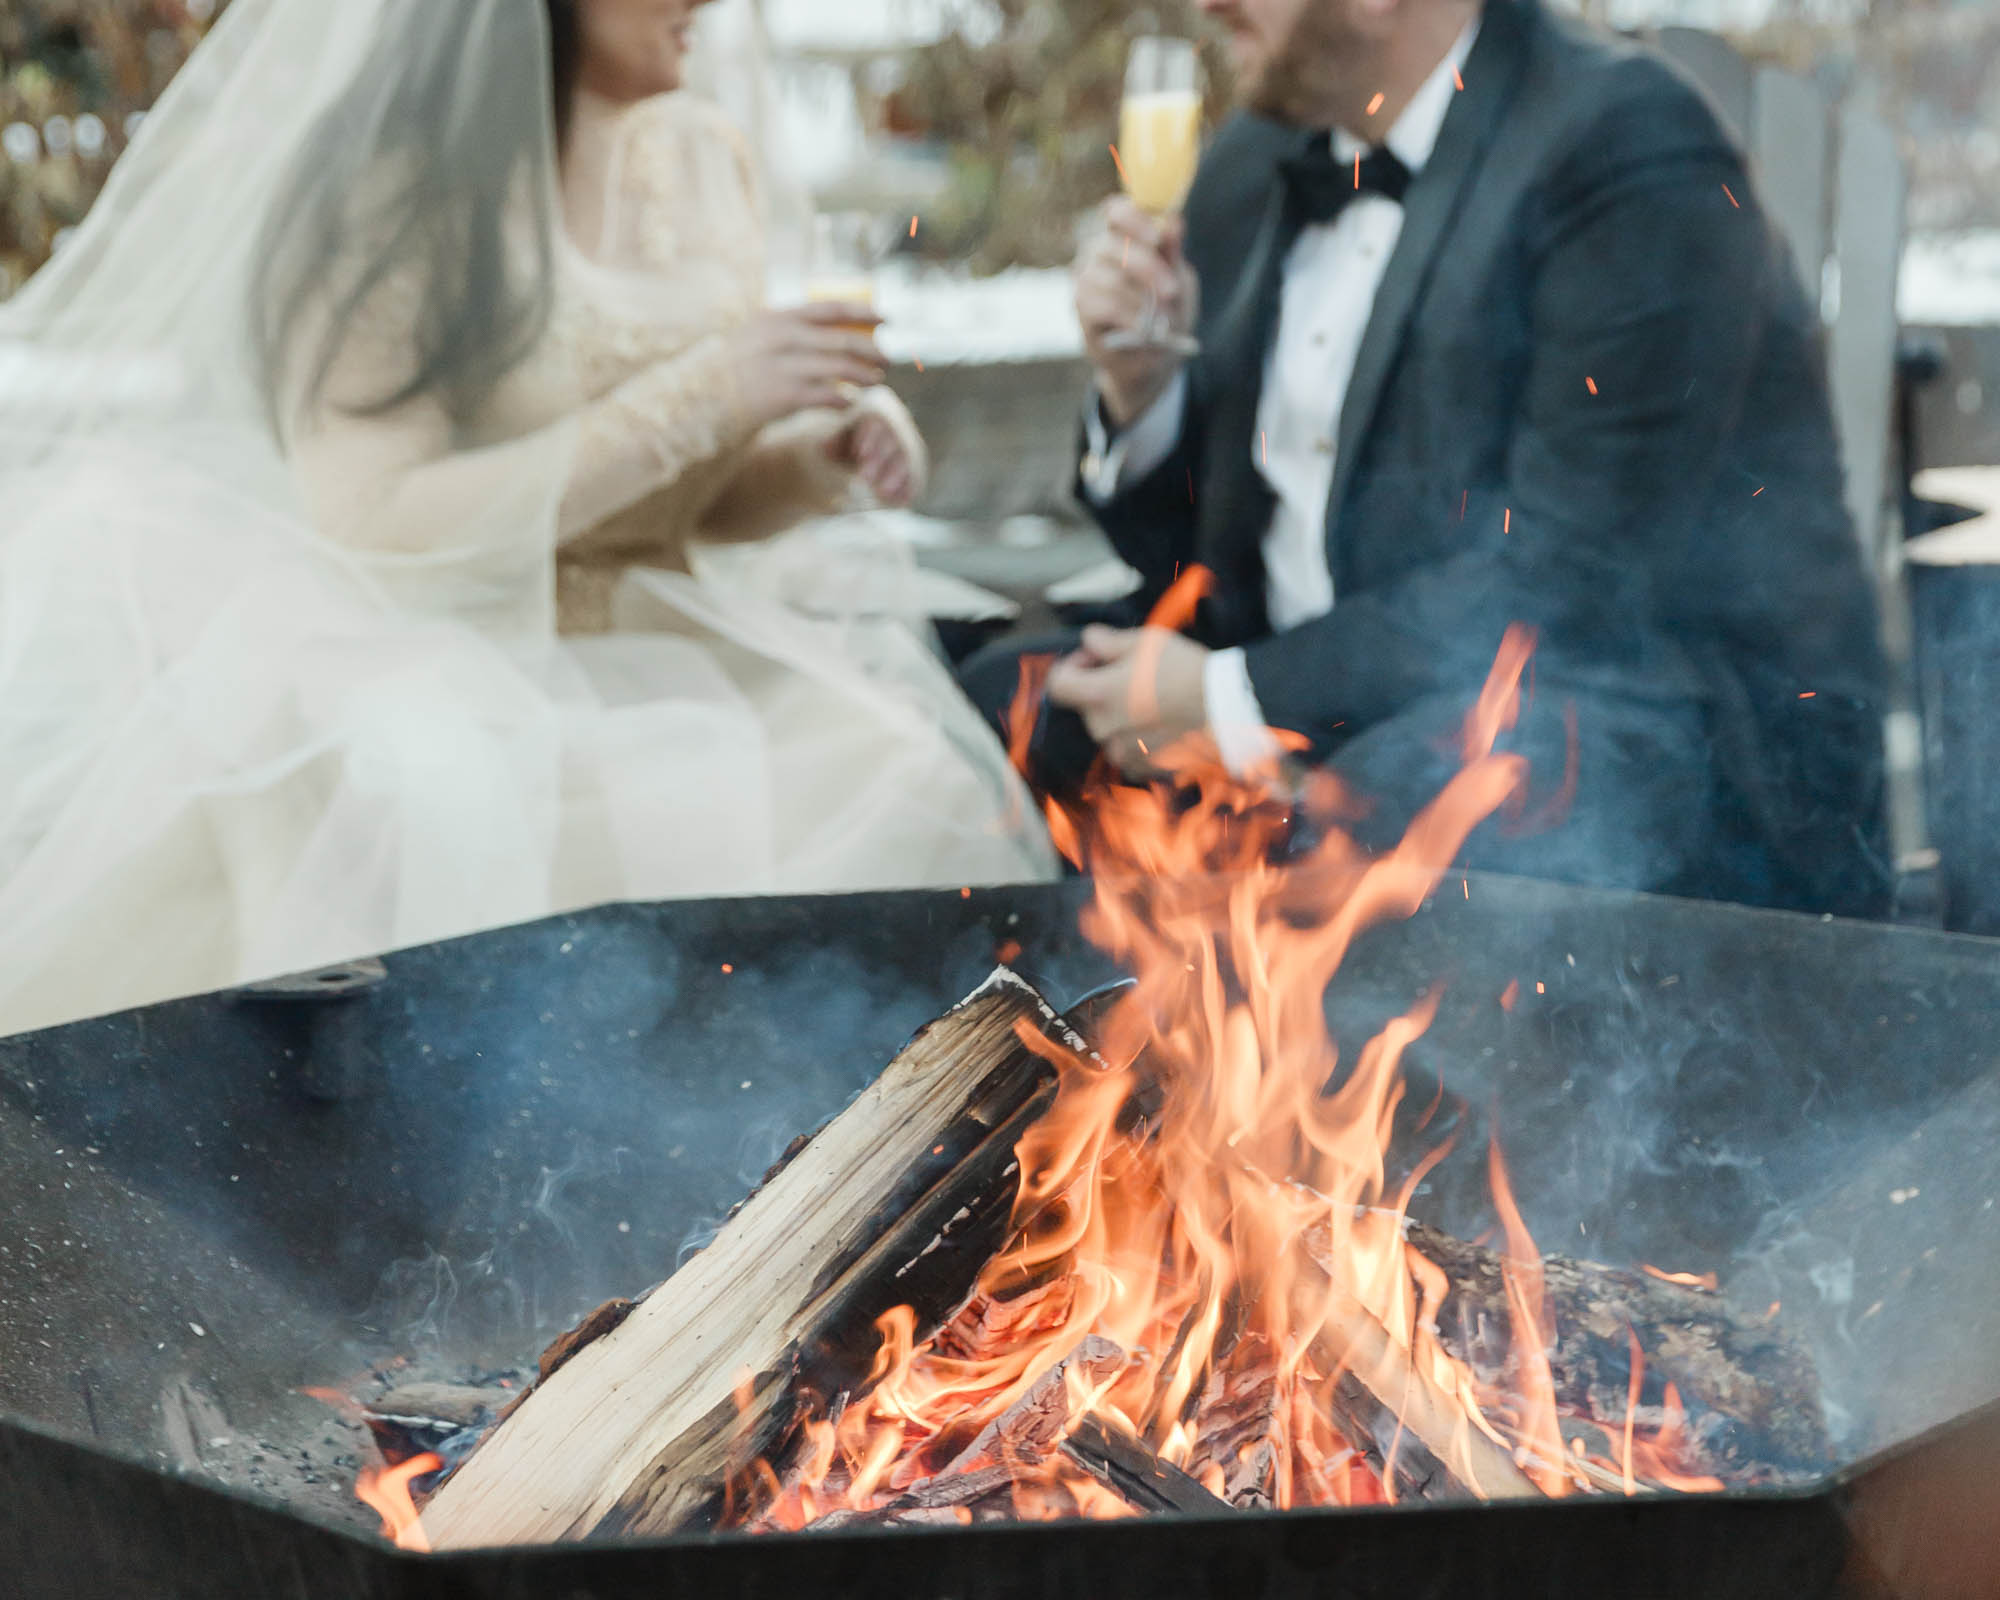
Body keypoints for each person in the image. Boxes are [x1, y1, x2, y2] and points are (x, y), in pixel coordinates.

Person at [0, 0, 1053, 1039]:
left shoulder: (702, 154)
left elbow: (687, 501)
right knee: (437, 794)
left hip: (660, 637)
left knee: (904, 779)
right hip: (420, 639)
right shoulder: (392, 189)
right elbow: (373, 514)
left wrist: (817, 462)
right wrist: (710, 395)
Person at [963, 0, 1889, 918]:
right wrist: (1142, 392)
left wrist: (1224, 696)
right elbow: (1198, 560)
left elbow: (1570, 582)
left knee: (1387, 799)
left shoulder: (1626, 148)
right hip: (1332, 693)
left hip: (1640, 735)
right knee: (1000, 709)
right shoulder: (1256, 161)